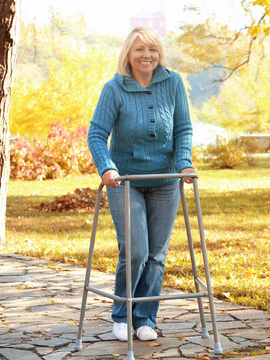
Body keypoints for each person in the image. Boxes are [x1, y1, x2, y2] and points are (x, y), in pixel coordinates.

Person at [87, 26, 196, 342]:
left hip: (164, 180)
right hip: (125, 181)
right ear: (128, 55)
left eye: (152, 49)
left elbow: (183, 129)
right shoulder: (114, 89)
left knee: (156, 254)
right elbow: (96, 134)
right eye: (139, 50)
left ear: (159, 54)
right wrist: (107, 167)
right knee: (135, 250)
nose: (147, 55)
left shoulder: (173, 83)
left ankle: (145, 317)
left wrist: (184, 162)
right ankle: (121, 314)